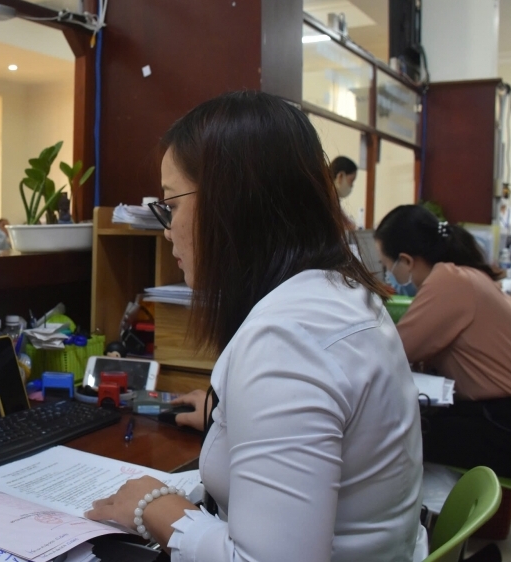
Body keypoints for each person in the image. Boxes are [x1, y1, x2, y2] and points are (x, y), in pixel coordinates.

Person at [86, 92, 427, 561]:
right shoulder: (340, 292)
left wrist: (156, 509)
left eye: (171, 206)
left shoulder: (287, 339)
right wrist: (234, 416)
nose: (166, 231)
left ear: (229, 206)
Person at [375, 204, 511, 481]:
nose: (388, 276)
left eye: (387, 267)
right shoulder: (466, 275)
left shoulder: (449, 281)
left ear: (406, 261)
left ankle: (429, 508)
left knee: (393, 433)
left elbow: (389, 353)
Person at [329, 156, 358, 230]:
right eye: (351, 180)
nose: (352, 185)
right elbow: (347, 225)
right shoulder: (327, 200)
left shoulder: (334, 201)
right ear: (340, 176)